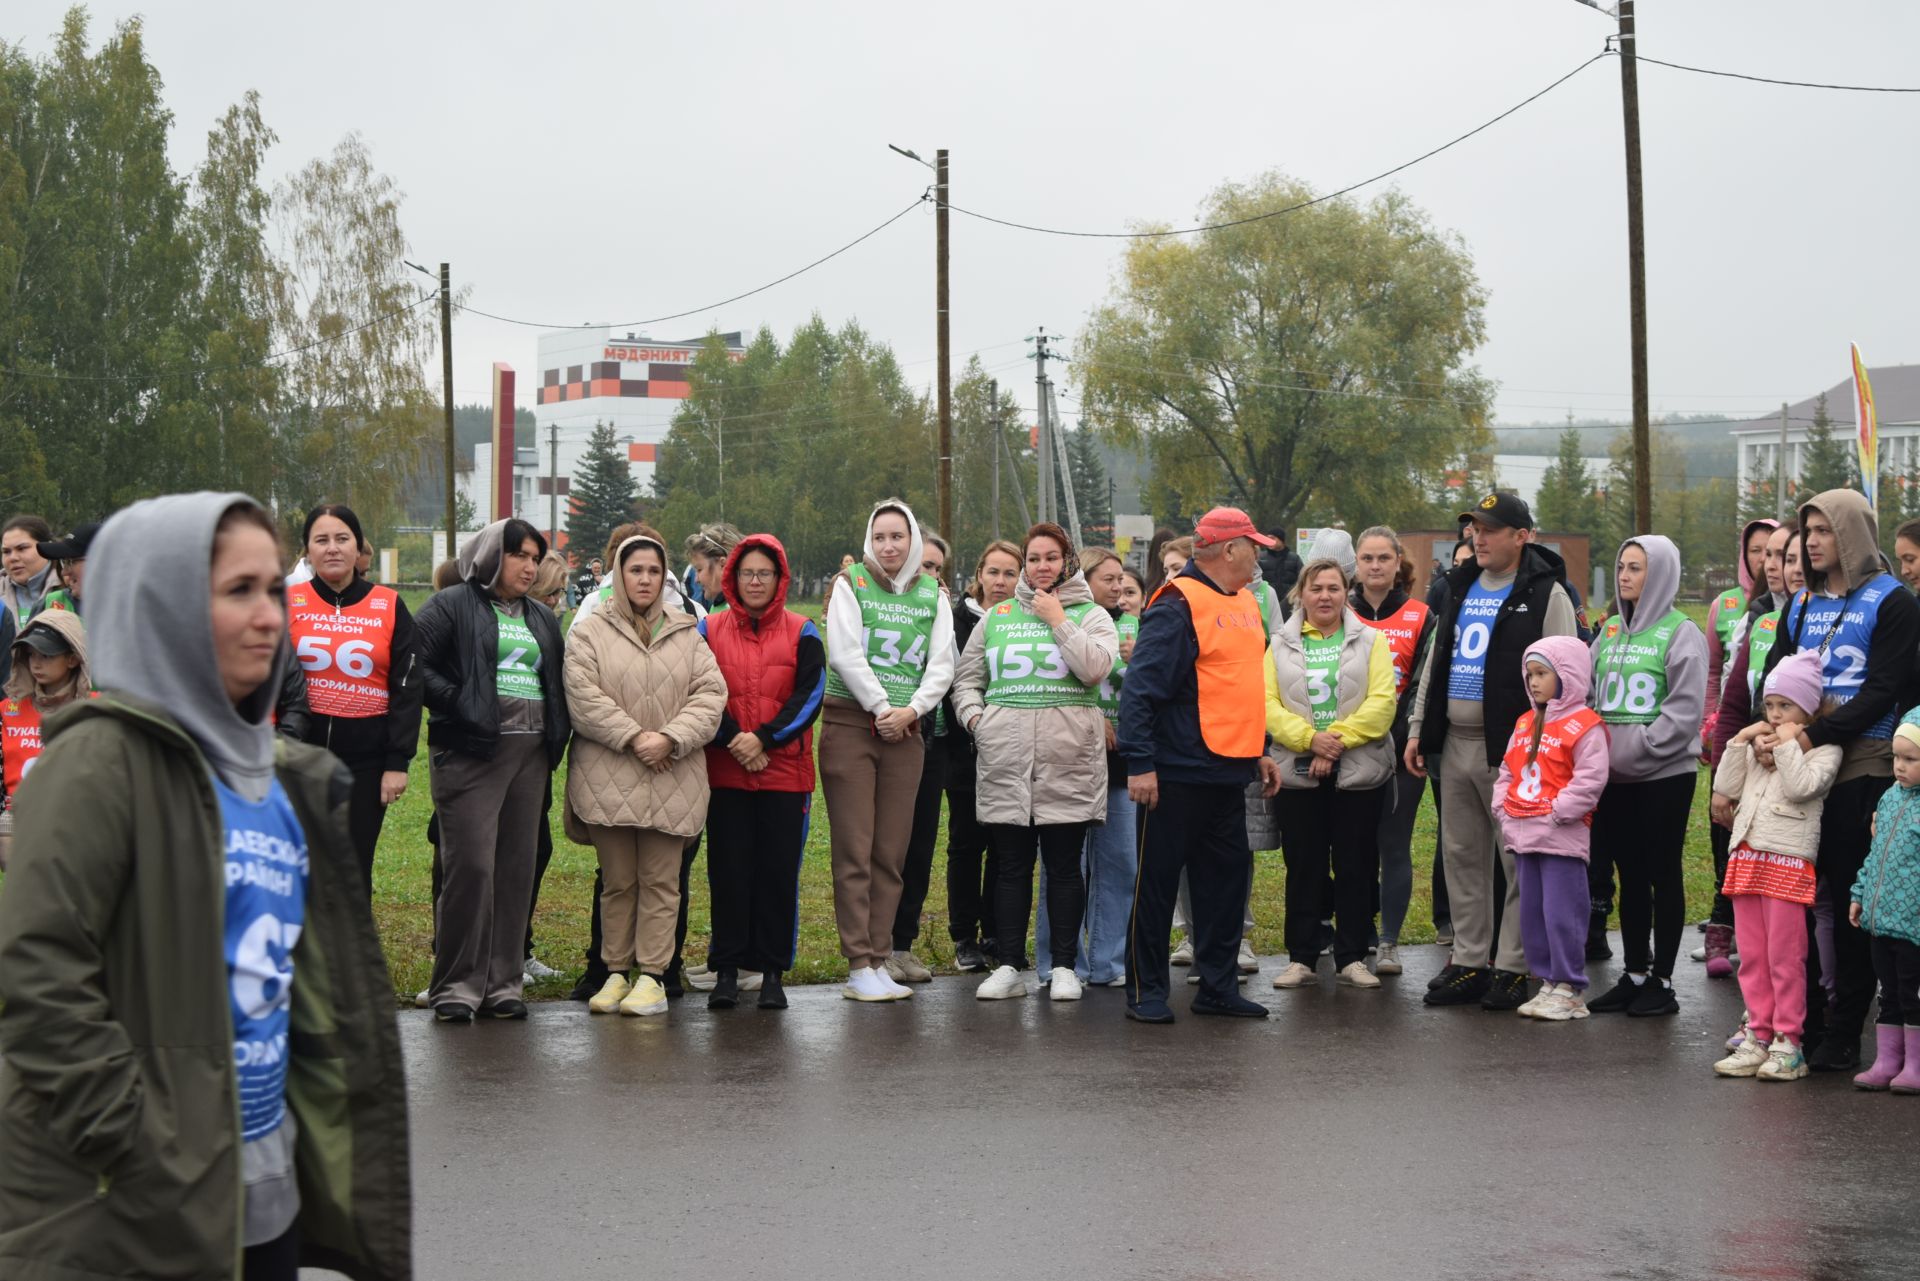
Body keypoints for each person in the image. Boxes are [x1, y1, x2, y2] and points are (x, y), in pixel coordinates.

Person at [0, 493, 409, 1281]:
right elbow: (39, 977)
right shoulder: (96, 766)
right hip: (135, 1207)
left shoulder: (284, 779)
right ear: (164, 605)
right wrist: (146, 1144)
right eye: (236, 591)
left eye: (271, 589)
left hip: (263, 1198)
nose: (270, 616)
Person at [1760, 489, 1920, 1072]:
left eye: (1825, 530)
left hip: (1864, 765)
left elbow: (1883, 689)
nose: (1813, 542)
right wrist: (1770, 725)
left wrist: (1811, 736)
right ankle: (1800, 1022)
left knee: (1849, 904)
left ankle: (1848, 1028)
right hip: (1799, 766)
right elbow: (1774, 675)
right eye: (1808, 531)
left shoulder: (1894, 601)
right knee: (1798, 901)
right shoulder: (1800, 605)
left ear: (1853, 532)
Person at [1405, 493, 1578, 1010]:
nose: (1477, 537)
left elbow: (1566, 675)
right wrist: (1418, 727)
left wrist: (1549, 745)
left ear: (1522, 537)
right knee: (1461, 855)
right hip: (1455, 742)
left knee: (1516, 857)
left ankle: (1513, 964)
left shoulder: (1547, 593)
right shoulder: (1456, 586)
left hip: (1515, 750)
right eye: (1473, 528)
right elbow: (1436, 661)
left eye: (1490, 529)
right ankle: (1470, 958)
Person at [1121, 508, 1281, 1023]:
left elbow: (1239, 688)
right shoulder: (1175, 604)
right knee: (1157, 888)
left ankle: (1217, 986)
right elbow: (1139, 693)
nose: (1258, 554)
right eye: (1252, 545)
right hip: (1174, 775)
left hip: (1229, 773)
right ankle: (1146, 992)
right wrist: (1141, 764)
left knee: (1225, 886)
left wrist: (1259, 749)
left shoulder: (1247, 603)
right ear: (1229, 550)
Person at [413, 518, 572, 1023]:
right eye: (518, 555)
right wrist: (459, 702)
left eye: (533, 557)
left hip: (530, 757)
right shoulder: (453, 604)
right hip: (470, 754)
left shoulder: (542, 618)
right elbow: (412, 662)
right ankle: (457, 984)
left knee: (515, 869)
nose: (529, 567)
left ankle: (504, 983)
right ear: (488, 557)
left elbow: (555, 680)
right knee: (471, 869)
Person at [952, 522, 1117, 1002]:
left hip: (1068, 760)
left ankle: (1064, 966)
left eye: (1051, 558)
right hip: (1006, 758)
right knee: (1010, 866)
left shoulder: (1091, 615)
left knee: (1065, 867)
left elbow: (1095, 669)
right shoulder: (997, 616)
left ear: (1067, 563)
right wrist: (977, 720)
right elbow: (967, 679)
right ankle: (1007, 965)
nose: (1041, 567)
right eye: (1034, 558)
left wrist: (1057, 619)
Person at [566, 533, 727, 1018]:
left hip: (671, 774)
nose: (644, 579)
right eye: (635, 570)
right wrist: (637, 737)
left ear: (666, 578)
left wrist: (671, 738)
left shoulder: (686, 631)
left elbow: (710, 695)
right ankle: (615, 970)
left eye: (653, 571)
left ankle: (653, 976)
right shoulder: (589, 631)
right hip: (609, 772)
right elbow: (582, 694)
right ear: (618, 574)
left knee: (661, 881)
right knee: (618, 882)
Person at [822, 499, 955, 1002]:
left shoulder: (932, 595)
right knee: (854, 849)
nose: (889, 546)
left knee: (890, 852)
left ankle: (881, 958)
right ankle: (858, 964)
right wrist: (883, 707)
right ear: (868, 541)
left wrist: (912, 711)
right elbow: (844, 651)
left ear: (913, 541)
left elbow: (944, 662)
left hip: (907, 732)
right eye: (880, 537)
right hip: (854, 726)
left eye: (898, 536)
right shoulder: (849, 584)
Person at [1582, 535, 1708, 1017]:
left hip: (1662, 776)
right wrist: (1598, 752)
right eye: (1622, 567)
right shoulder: (1610, 630)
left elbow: (1684, 710)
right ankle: (1634, 972)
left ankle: (1664, 980)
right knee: (1627, 874)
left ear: (1660, 574)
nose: (1625, 576)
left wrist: (1639, 748)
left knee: (1662, 872)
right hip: (1614, 778)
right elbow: (1589, 691)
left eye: (1636, 568)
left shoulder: (1682, 633)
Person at [700, 534, 825, 1011]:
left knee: (776, 875)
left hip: (783, 776)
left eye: (764, 573)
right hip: (726, 773)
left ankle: (772, 974)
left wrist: (765, 739)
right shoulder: (708, 630)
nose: (755, 581)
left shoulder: (802, 630)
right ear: (733, 576)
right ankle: (727, 971)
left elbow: (809, 696)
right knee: (729, 873)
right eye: (747, 572)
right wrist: (735, 739)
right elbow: (700, 692)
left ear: (779, 579)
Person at [1265, 556, 1396, 990]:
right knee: (1303, 865)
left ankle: (1352, 956)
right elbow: (1266, 705)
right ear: (1300, 594)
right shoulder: (1279, 643)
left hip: (1358, 772)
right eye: (1316, 588)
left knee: (1356, 864)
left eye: (1334, 588)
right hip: (1297, 773)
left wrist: (1334, 739)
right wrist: (1308, 740)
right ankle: (1301, 956)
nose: (1325, 596)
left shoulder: (1371, 641)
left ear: (1347, 593)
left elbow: (1382, 702)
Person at [1709, 652, 1840, 1080]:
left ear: (1810, 708)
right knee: (1752, 955)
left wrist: (1785, 744)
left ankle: (1790, 1041)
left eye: (1786, 706)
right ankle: (1757, 1035)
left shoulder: (1825, 749)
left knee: (1785, 956)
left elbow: (1802, 787)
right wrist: (1742, 739)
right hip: (1747, 855)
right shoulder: (1758, 744)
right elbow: (1726, 786)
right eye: (1770, 706)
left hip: (1787, 859)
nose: (1776, 715)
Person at [285, 503, 422, 893]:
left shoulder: (388, 604)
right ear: (307, 550)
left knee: (353, 867)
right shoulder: (287, 602)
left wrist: (397, 762)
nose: (332, 548)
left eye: (342, 539)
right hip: (299, 758)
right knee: (298, 864)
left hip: (366, 763)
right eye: (321, 540)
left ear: (358, 548)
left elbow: (408, 687)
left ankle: (348, 953)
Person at [1036, 546, 1137, 988]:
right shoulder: (1058, 621)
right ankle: (1058, 963)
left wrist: (1140, 661)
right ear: (1083, 581)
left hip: (1122, 765)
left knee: (1120, 863)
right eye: (1108, 579)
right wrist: (1096, 719)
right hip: (1071, 759)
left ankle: (1107, 963)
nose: (1118, 588)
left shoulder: (1137, 627)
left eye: (1122, 581)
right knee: (1064, 865)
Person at [1493, 637, 1610, 1021]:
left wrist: (1560, 811)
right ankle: (1547, 980)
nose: (1534, 682)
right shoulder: (1526, 721)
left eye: (1543, 674)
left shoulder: (1585, 725)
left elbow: (1591, 777)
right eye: (1530, 675)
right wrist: (1502, 807)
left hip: (1560, 835)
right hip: (1524, 833)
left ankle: (1570, 986)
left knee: (1563, 913)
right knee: (1533, 913)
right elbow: (1509, 769)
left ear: (1569, 675)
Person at [1701, 519, 1793, 974]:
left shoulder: (1812, 615)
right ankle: (1731, 935)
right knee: (1732, 846)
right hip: (1749, 752)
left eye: (1783, 555)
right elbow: (1733, 694)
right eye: (1766, 554)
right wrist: (1725, 772)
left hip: (1794, 758)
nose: (1771, 564)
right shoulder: (1756, 615)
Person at [1350, 525, 1436, 974]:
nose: (1376, 566)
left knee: (1393, 845)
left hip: (1400, 751)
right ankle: (1355, 936)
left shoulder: (1422, 615)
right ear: (1357, 563)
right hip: (1346, 748)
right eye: (1367, 558)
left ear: (1398, 561)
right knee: (1350, 847)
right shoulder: (1339, 610)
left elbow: (1423, 683)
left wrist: (1410, 736)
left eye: (1384, 558)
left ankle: (1388, 943)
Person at [943, 539, 1020, 972]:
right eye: (993, 572)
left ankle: (998, 933)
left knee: (1005, 844)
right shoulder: (957, 619)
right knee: (967, 843)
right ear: (979, 575)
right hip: (964, 750)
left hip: (1011, 752)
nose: (1001, 582)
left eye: (1010, 573)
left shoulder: (1023, 620)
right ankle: (964, 937)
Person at [890, 533, 954, 984]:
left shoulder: (944, 612)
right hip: (891, 735)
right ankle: (876, 944)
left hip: (933, 747)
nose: (929, 575)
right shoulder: (889, 611)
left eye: (936, 568)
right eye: (924, 566)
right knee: (885, 846)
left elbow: (950, 669)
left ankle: (902, 943)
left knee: (920, 847)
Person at [1849, 707, 1920, 1093]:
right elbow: (1875, 854)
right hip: (1882, 919)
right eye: (1896, 757)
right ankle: (1888, 1060)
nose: (1899, 767)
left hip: (1915, 926)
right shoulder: (1891, 798)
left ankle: (1915, 1064)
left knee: (1913, 994)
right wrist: (1859, 894)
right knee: (1888, 991)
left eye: (1911, 759)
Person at [0, 610, 91, 870]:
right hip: (15, 821)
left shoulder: (96, 709)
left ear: (73, 658)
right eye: (31, 655)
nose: (36, 663)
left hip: (79, 819)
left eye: (47, 655)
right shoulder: (7, 711)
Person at [0, 514, 63, 629]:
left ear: (46, 548)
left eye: (22, 548)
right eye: (6, 551)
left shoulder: (72, 587)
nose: (13, 558)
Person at [36, 521, 97, 616]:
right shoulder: (50, 603)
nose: (64, 572)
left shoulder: (127, 611)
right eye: (64, 562)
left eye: (72, 562)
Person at [1260, 528, 1302, 601]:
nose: (1269, 541)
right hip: (1266, 600)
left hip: (1289, 601)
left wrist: (1293, 592)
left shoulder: (1294, 559)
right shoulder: (1261, 558)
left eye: (1272, 538)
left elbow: (1303, 578)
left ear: (1281, 540)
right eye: (1267, 538)